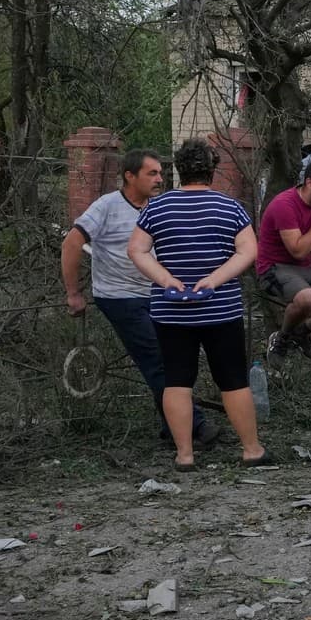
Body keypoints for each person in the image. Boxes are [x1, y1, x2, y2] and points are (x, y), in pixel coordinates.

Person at [126, 138, 271, 471]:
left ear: (178, 169)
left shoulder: (156, 207)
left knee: (177, 381)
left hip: (171, 310)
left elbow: (136, 250)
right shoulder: (229, 206)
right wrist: (214, 279)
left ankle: (185, 456)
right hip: (221, 309)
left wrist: (166, 279)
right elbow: (249, 251)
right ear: (212, 170)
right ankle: (252, 450)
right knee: (233, 379)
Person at [62, 149, 219, 452]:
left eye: (161, 173)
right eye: (152, 173)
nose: (160, 179)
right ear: (129, 176)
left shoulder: (159, 206)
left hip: (159, 294)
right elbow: (72, 243)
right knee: (158, 360)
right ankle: (194, 426)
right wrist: (73, 293)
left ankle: (171, 427)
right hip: (120, 296)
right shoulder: (106, 206)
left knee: (172, 358)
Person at [257, 158, 311, 362]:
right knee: (306, 298)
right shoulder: (285, 204)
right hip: (273, 268)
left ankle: (301, 332)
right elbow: (298, 251)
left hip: (306, 269)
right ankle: (282, 338)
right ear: (309, 182)